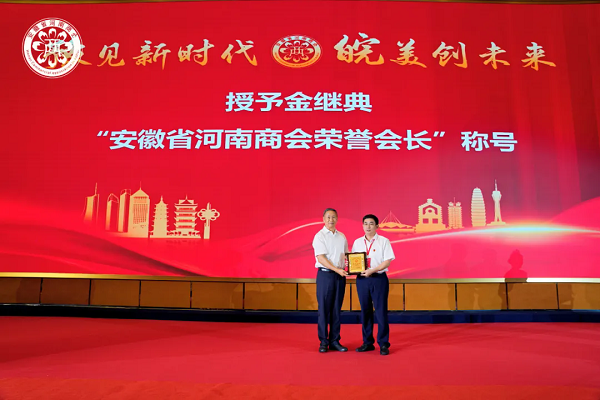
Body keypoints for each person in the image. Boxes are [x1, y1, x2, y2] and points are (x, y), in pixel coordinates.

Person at [351, 214, 395, 356]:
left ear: (377, 226)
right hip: (362, 280)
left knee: (381, 312)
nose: (368, 226)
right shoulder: (357, 242)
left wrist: (372, 270)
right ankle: (367, 342)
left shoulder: (384, 241)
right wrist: (350, 267)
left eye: (371, 223)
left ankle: (383, 343)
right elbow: (353, 261)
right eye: (365, 223)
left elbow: (387, 262)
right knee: (365, 311)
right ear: (362, 226)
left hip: (378, 279)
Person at [312, 208, 349, 353]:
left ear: (337, 219)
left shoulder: (342, 236)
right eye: (328, 217)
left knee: (336, 310)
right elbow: (321, 258)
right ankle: (323, 341)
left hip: (339, 276)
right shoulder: (319, 236)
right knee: (324, 309)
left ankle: (335, 341)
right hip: (325, 276)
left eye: (333, 217)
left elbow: (346, 255)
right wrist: (337, 269)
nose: (331, 220)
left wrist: (352, 265)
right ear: (323, 219)